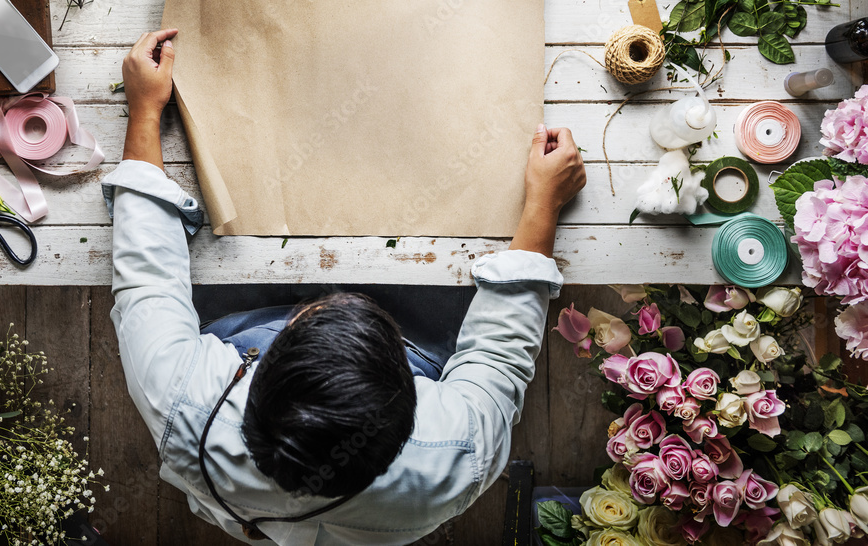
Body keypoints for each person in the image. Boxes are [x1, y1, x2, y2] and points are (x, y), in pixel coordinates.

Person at [103, 28, 586, 545]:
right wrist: (543, 205)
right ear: (413, 411)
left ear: (258, 386)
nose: (323, 303)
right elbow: (497, 355)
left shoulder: (185, 402)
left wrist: (145, 111)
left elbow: (147, 275)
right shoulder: (457, 453)